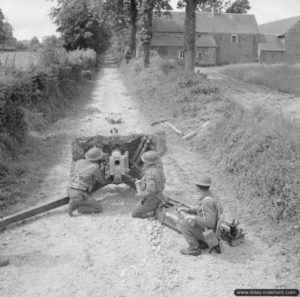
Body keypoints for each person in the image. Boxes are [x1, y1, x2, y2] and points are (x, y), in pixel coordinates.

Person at [178, 176, 223, 256]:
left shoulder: (207, 201)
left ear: (198, 187)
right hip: (213, 230)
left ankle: (194, 248)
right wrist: (189, 210)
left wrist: (193, 217)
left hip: (210, 232)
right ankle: (202, 242)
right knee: (191, 217)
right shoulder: (211, 196)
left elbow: (210, 223)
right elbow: (202, 210)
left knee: (183, 224)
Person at [67, 147, 107, 216]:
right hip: (79, 194)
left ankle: (74, 200)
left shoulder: (79, 161)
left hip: (70, 189)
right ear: (97, 159)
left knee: (81, 192)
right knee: (99, 208)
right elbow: (102, 182)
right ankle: (80, 207)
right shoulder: (94, 167)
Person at [131, 151, 166, 219]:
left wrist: (141, 194)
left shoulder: (150, 173)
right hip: (159, 193)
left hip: (152, 199)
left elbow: (150, 191)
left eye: (145, 161)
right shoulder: (159, 168)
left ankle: (152, 213)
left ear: (148, 163)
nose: (144, 163)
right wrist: (142, 181)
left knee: (134, 214)